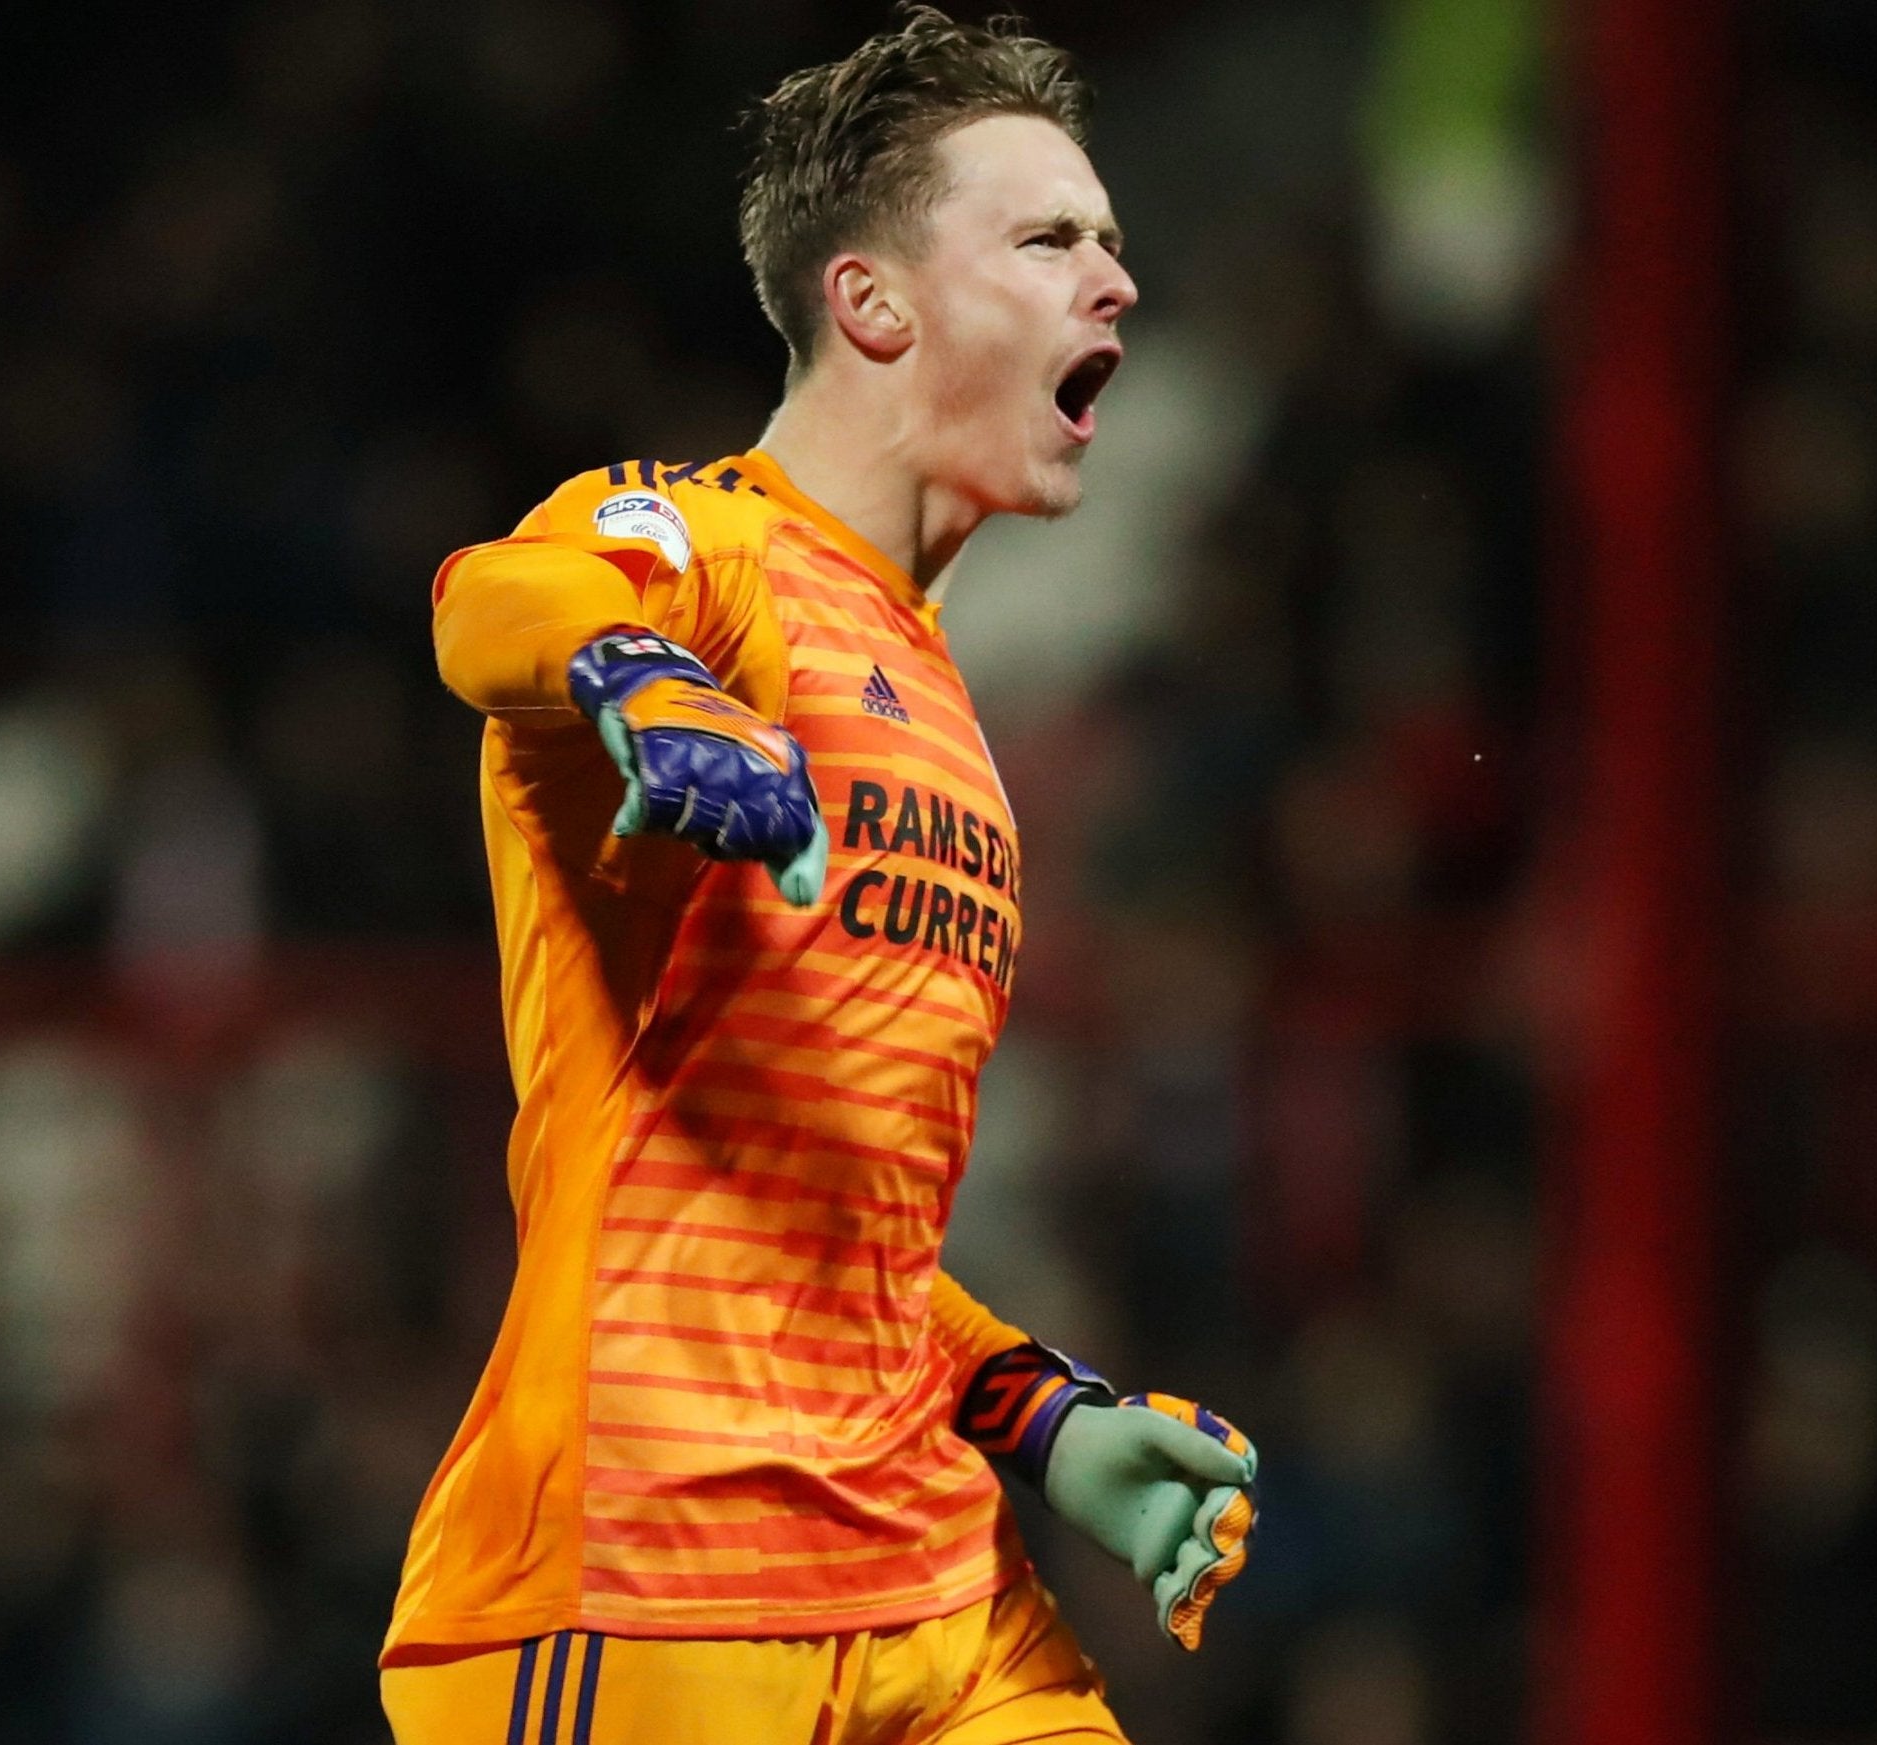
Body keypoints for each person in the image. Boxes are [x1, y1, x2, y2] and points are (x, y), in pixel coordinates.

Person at [379, 10, 1257, 1742]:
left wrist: (1036, 1412)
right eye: (1050, 237)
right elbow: (495, 599)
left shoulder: (938, 692)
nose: (1118, 283)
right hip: (646, 1579)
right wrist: (641, 683)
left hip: (933, 1588)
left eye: (1114, 239)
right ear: (875, 305)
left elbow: (832, 1222)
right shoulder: (708, 547)